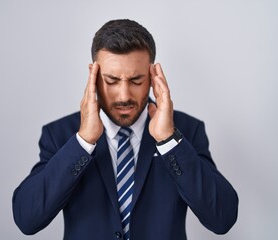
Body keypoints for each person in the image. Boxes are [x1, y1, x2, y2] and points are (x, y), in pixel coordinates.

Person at [12, 19, 238, 240]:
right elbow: (27, 219)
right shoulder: (60, 134)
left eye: (136, 80)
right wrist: (83, 142)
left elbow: (222, 218)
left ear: (152, 75)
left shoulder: (187, 131)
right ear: (93, 76)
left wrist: (168, 140)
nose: (124, 96)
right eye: (111, 81)